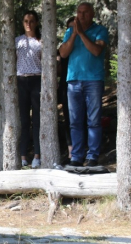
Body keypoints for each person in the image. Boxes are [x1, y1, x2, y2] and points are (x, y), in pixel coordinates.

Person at [59, 2, 108, 167]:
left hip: (93, 80)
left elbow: (96, 50)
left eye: (85, 12)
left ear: (92, 13)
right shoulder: (70, 31)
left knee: (93, 120)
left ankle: (92, 156)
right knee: (75, 121)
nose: (82, 16)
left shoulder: (100, 31)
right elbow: (63, 53)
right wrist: (74, 34)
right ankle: (77, 156)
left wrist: (82, 34)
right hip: (73, 81)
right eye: (79, 12)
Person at [15, 10, 42, 169]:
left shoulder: (41, 41)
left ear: (36, 22)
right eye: (26, 20)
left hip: (37, 79)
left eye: (31, 21)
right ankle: (23, 155)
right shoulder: (17, 41)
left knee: (37, 119)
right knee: (24, 120)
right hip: (21, 80)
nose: (28, 24)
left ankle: (37, 155)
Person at [57, 17, 75, 164]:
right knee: (68, 119)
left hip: (81, 82)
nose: (73, 30)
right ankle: (71, 152)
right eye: (69, 28)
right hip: (65, 84)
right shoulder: (64, 47)